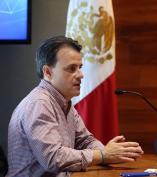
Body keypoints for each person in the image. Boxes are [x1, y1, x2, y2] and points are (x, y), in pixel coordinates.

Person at [7, 36, 144, 177]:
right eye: (71, 68)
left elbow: (86, 141)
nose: (81, 75)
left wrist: (111, 153)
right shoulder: (39, 104)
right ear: (48, 72)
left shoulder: (64, 103)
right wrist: (103, 154)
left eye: (80, 67)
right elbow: (53, 158)